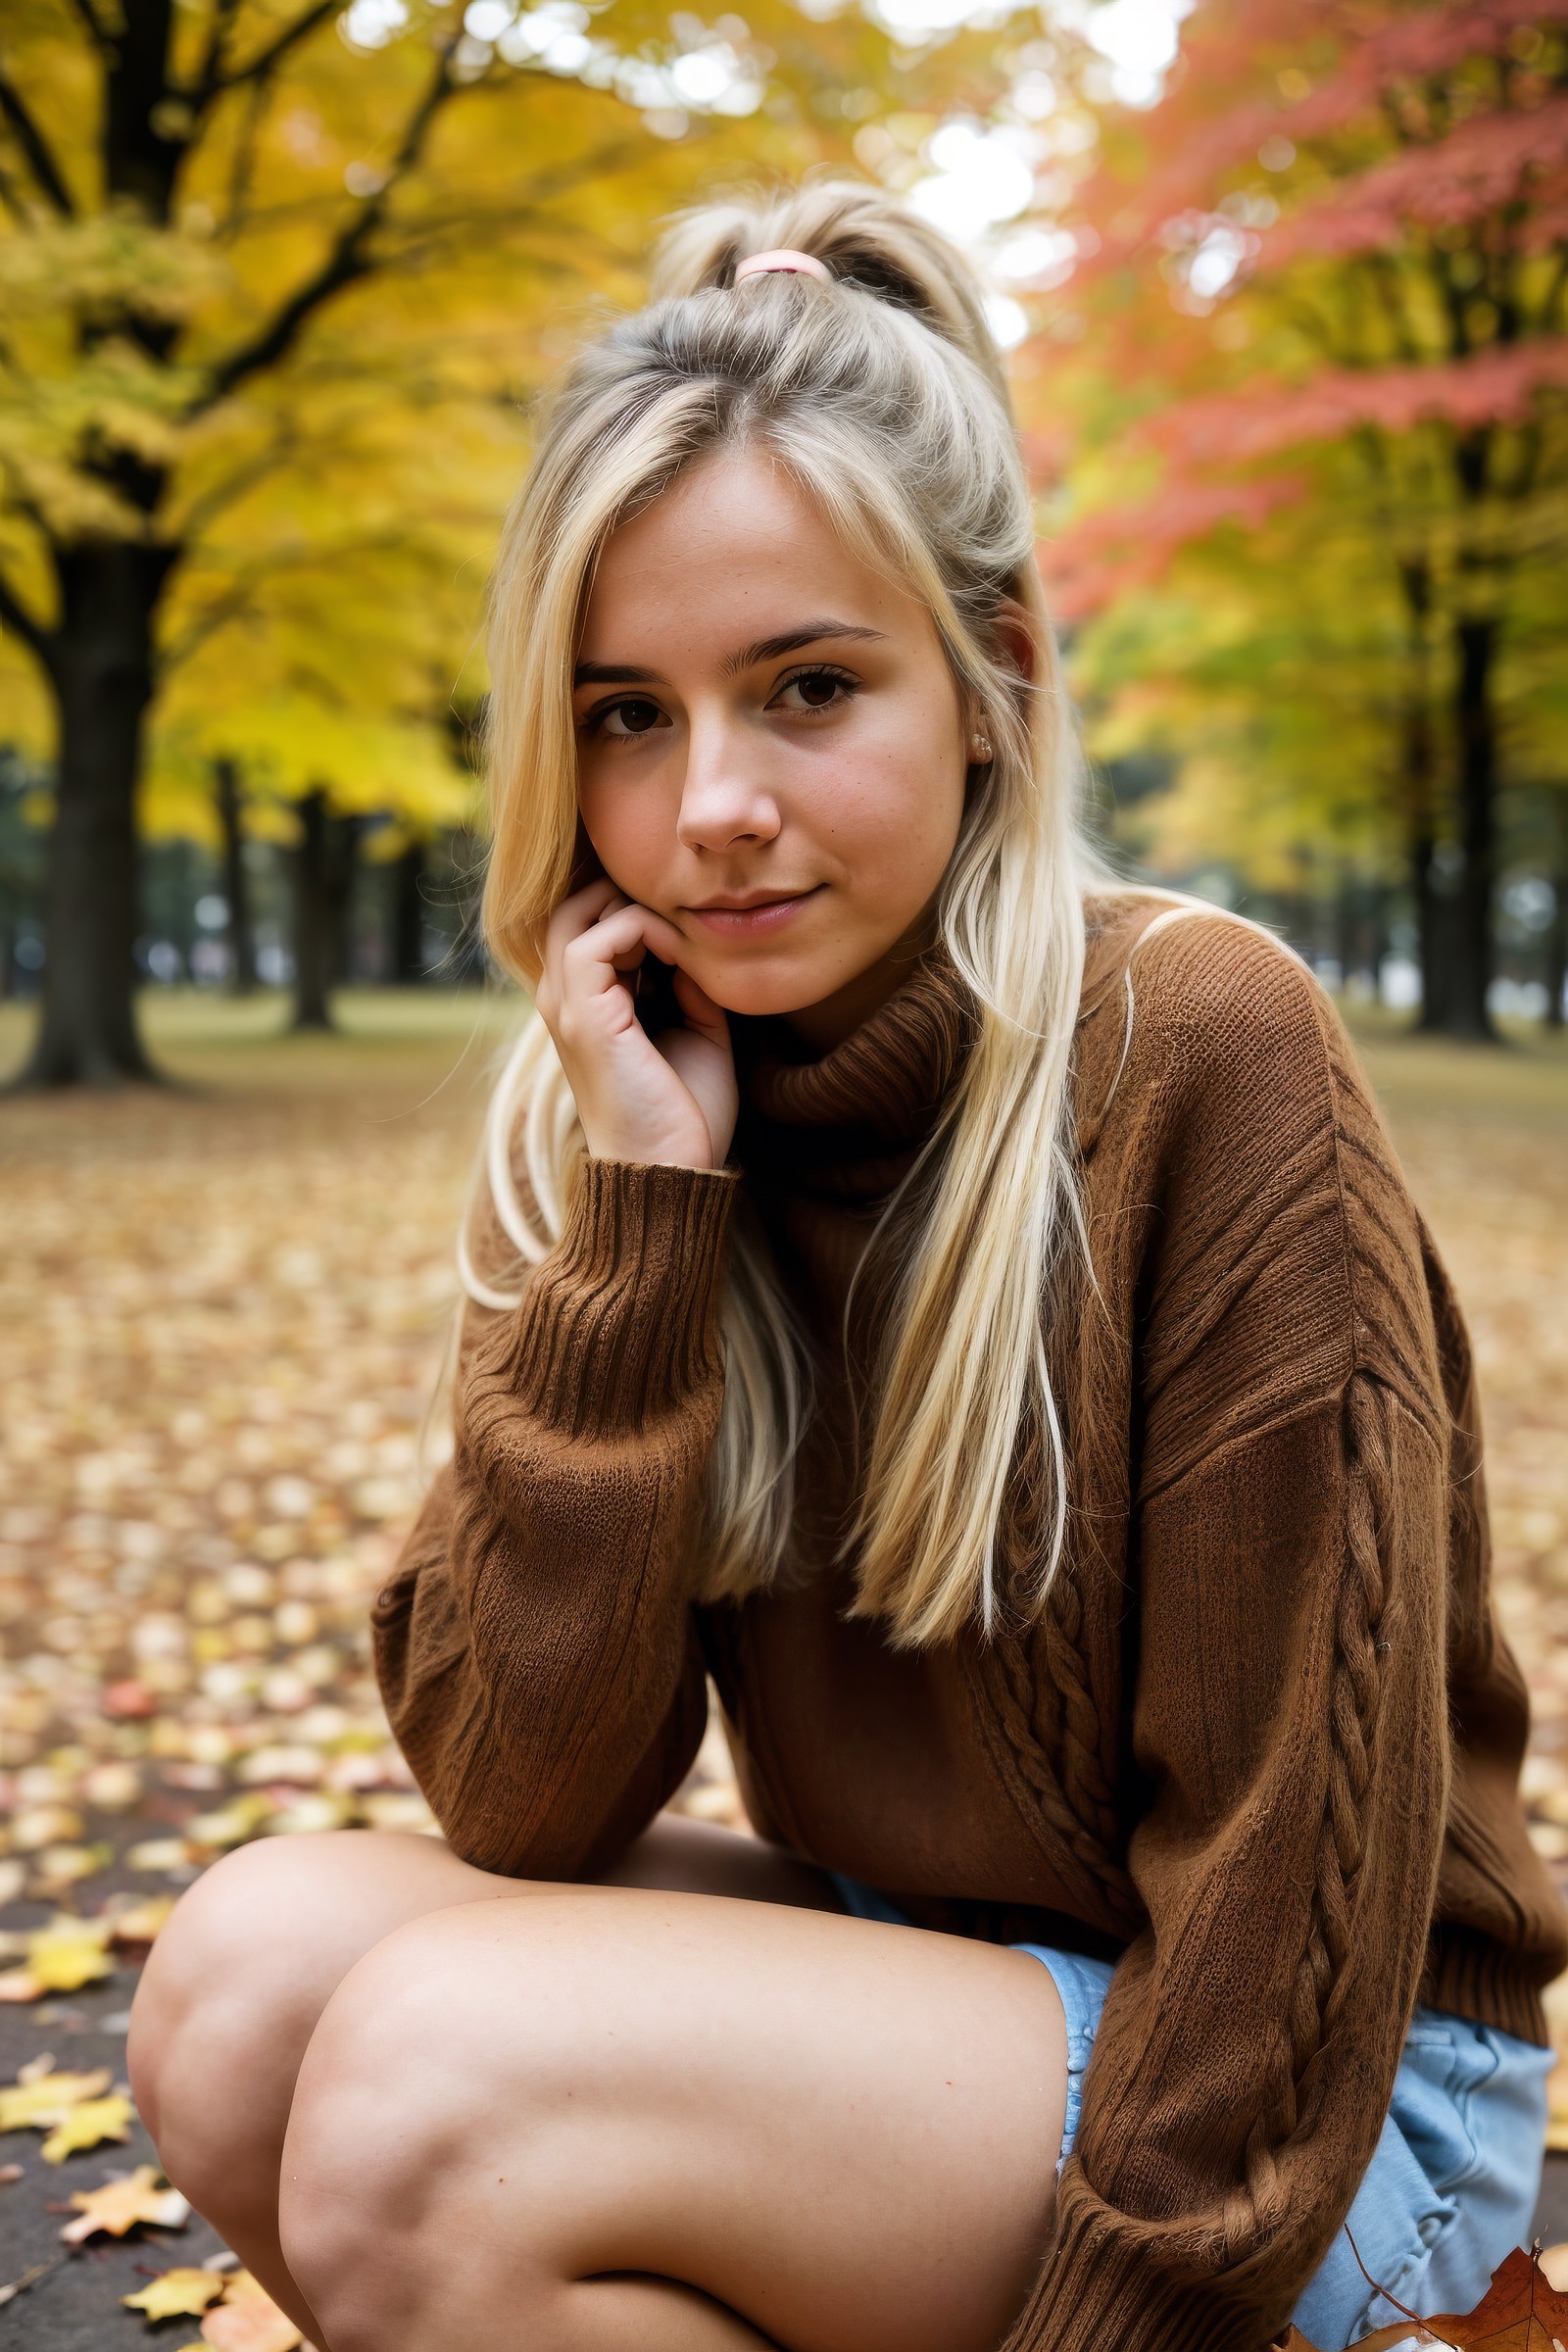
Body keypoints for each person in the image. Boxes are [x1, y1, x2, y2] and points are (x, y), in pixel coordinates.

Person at [128, 183, 1566, 2352]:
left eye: (805, 687)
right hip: (942, 1980)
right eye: (625, 712)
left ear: (987, 682)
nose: (706, 806)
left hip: (1313, 2102)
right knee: (243, 1985)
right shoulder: (644, 1099)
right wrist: (641, 1232)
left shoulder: (1191, 1047)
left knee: (439, 2094)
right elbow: (520, 1798)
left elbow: (1286, 1888)